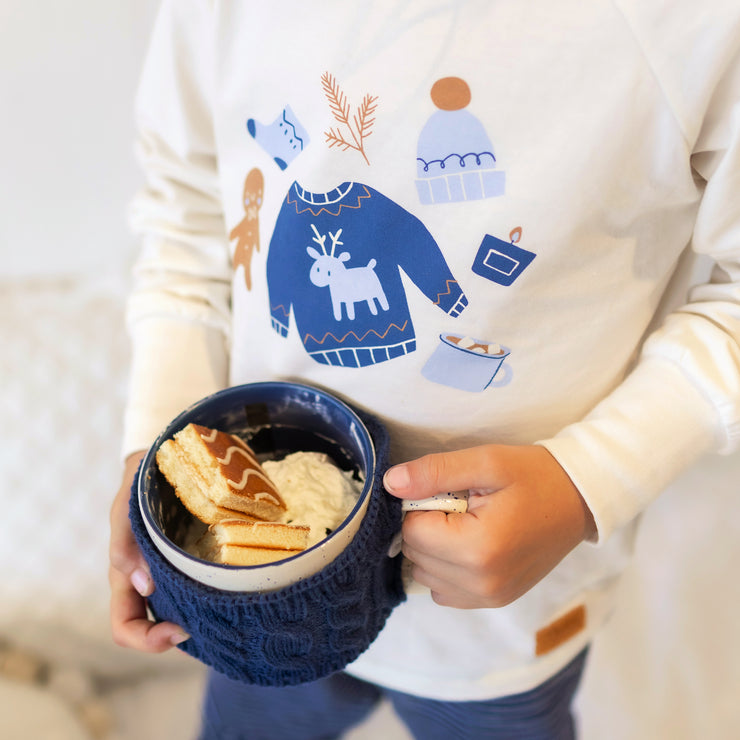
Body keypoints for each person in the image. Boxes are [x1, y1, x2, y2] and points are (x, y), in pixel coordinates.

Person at [109, 1, 740, 737]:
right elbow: (188, 218)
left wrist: (588, 480)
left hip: (500, 620)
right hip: (246, 591)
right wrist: (157, 444)